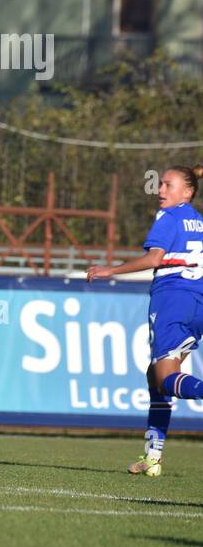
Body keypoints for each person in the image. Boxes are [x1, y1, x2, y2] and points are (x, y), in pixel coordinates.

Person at [87, 164, 203, 476]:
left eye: (168, 185)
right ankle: (153, 455)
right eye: (161, 184)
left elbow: (154, 258)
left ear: (187, 192)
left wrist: (108, 270)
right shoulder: (199, 221)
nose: (160, 190)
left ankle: (154, 454)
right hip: (197, 303)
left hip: (172, 300)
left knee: (165, 378)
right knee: (156, 378)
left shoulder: (169, 217)